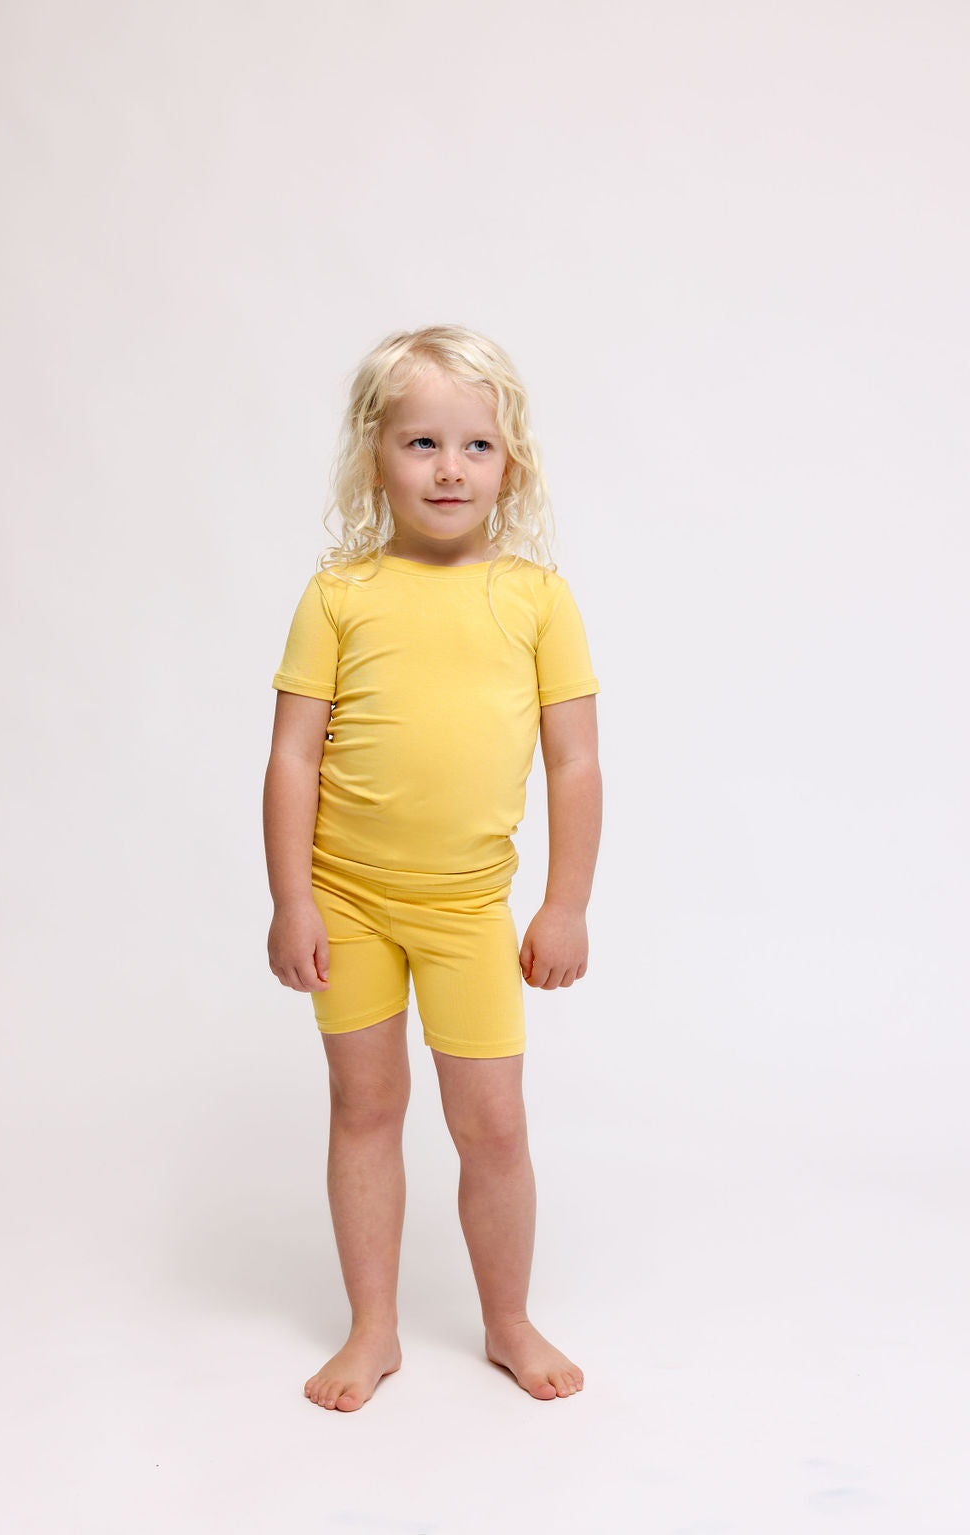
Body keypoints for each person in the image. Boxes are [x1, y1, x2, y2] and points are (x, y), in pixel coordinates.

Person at [263, 323, 602, 1412]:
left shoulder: (537, 598)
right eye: (421, 442)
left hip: (468, 911)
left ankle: (507, 1318)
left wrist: (564, 903)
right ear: (375, 455)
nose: (449, 468)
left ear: (513, 464)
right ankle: (373, 1325)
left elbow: (575, 760)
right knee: (364, 1106)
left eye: (475, 445)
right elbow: (291, 754)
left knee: (491, 1124)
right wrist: (292, 898)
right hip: (348, 902)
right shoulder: (339, 595)